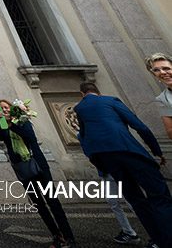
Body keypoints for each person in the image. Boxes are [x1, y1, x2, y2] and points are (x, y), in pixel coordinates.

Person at [74, 82, 172, 248]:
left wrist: (97, 161)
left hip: (108, 160)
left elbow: (84, 137)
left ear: (82, 94)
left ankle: (160, 241)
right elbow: (140, 126)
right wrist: (157, 151)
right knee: (159, 197)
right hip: (130, 152)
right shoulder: (111, 100)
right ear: (98, 92)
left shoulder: (80, 108)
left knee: (136, 200)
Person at [0, 99, 76, 248]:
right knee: (39, 205)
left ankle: (69, 237)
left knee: (53, 202)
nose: (4, 110)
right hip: (23, 169)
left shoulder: (22, 120)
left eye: (6, 107)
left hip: (39, 166)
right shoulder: (4, 126)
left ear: (12, 109)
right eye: (2, 108)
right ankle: (57, 235)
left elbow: (30, 137)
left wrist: (12, 122)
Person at [146, 53, 172, 140]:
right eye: (156, 70)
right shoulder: (162, 99)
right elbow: (170, 132)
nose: (162, 72)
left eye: (166, 68)